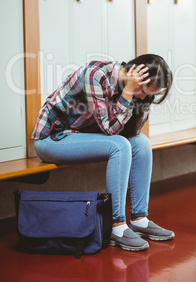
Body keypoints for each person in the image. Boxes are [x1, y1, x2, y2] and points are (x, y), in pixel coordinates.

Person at [32, 54, 175, 251]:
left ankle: (140, 219)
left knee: (141, 142)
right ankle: (116, 226)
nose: (144, 96)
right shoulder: (96, 75)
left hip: (83, 137)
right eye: (143, 90)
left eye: (150, 95)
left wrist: (142, 99)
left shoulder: (142, 95)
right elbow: (110, 130)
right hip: (53, 139)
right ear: (133, 74)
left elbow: (134, 131)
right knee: (119, 144)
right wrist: (128, 93)